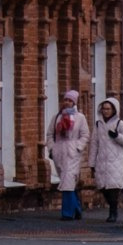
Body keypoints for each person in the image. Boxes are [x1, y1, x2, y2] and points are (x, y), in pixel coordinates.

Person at [47, 90, 91, 221]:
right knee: (66, 180)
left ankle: (67, 213)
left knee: (68, 180)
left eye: (70, 101)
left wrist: (78, 147)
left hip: (72, 152)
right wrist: (51, 149)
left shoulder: (80, 118)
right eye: (65, 100)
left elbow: (85, 135)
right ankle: (77, 208)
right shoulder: (56, 117)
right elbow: (50, 134)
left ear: (74, 102)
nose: (67, 102)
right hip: (59, 151)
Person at [92, 96, 123, 222]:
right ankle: (112, 209)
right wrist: (92, 162)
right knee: (103, 187)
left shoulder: (119, 123)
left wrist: (117, 136)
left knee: (113, 189)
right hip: (102, 160)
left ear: (114, 110)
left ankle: (113, 212)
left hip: (115, 160)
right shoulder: (98, 124)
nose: (105, 111)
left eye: (108, 109)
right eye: (104, 109)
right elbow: (94, 143)